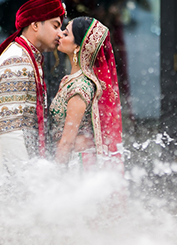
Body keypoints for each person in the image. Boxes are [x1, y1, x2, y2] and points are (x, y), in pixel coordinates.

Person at [0, 0, 65, 193]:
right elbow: (11, 132)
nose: (60, 33)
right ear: (35, 25)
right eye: (55, 25)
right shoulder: (17, 61)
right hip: (10, 189)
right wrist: (28, 184)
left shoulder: (25, 57)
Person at [50, 16, 124, 171]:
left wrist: (54, 176)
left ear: (77, 47)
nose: (59, 35)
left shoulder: (80, 87)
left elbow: (67, 142)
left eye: (66, 34)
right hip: (74, 161)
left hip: (77, 165)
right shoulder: (70, 80)